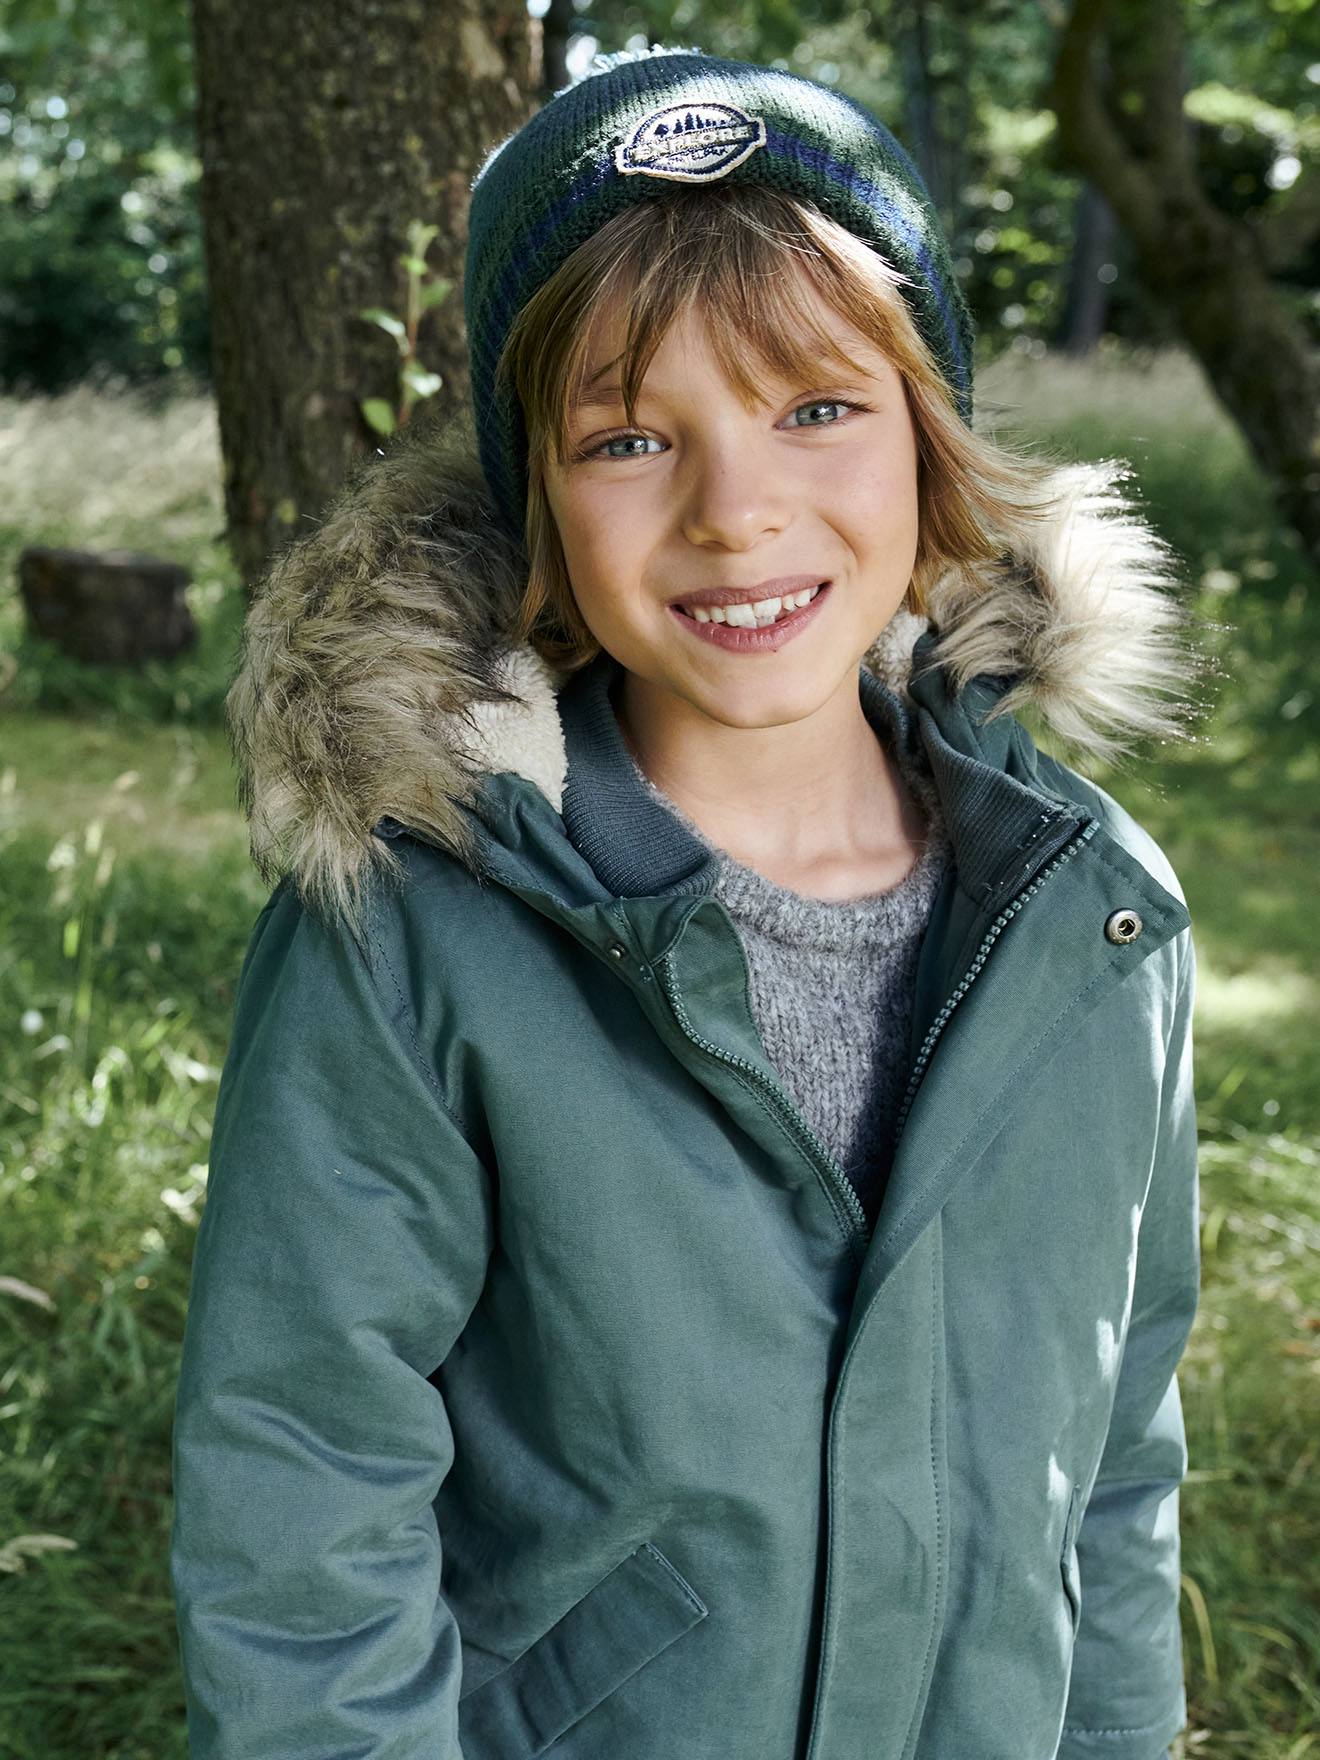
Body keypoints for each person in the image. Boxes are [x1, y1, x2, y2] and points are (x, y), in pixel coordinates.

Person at [170, 45, 1209, 1760]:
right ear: (539, 504)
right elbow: (305, 1489)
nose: (739, 513)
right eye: (631, 436)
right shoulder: (423, 937)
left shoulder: (1097, 922)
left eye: (816, 408)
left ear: (930, 437)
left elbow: (1113, 1458)